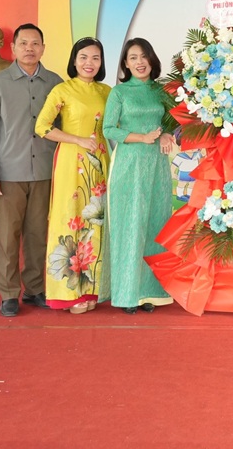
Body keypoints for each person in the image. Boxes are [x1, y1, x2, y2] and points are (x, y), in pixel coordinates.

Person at [0, 23, 62, 317]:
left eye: (35, 43)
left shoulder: (55, 83)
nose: (29, 48)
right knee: (7, 237)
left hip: (44, 172)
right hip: (9, 174)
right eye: (23, 43)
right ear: (13, 48)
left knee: (38, 235)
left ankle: (35, 289)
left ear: (43, 48)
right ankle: (9, 293)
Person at [36, 37, 112, 314]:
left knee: (96, 222)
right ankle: (69, 293)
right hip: (71, 161)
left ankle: (92, 289)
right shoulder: (62, 90)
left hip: (100, 163)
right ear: (74, 61)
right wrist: (77, 139)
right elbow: (42, 126)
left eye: (95, 58)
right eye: (83, 57)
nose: (89, 63)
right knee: (71, 218)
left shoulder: (107, 91)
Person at [103, 38, 175, 314]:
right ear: (125, 63)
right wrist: (140, 137)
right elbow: (109, 129)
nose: (139, 62)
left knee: (155, 224)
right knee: (130, 225)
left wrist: (165, 134)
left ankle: (150, 292)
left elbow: (170, 123)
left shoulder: (161, 91)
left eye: (144, 56)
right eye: (133, 57)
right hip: (129, 164)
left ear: (152, 59)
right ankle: (127, 292)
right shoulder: (119, 92)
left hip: (157, 166)